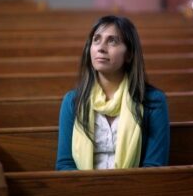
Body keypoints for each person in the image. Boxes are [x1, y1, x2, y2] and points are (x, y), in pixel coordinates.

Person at [56, 15, 170, 170]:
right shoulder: (73, 101)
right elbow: (65, 165)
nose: (101, 48)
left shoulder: (153, 101)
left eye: (112, 41)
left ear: (129, 54)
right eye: (96, 40)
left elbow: (154, 167)